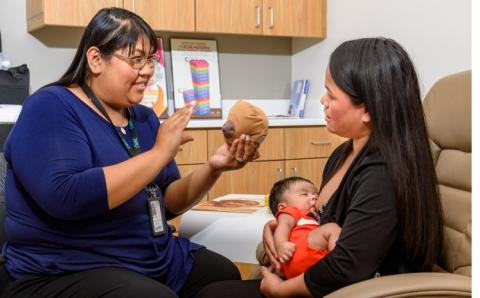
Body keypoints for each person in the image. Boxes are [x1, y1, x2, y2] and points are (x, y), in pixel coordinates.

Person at [0, 7, 260, 298]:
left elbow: (166, 203)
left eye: (150, 60)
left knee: (222, 275)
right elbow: (66, 197)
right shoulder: (51, 106)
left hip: (145, 256)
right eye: (136, 60)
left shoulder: (144, 118)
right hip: (69, 266)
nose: (147, 70)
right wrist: (159, 153)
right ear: (96, 59)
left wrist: (213, 167)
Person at [195, 37, 444, 297]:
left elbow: (346, 267)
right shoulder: (343, 153)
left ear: (367, 109)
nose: (322, 100)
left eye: (331, 94)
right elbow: (320, 219)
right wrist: (281, 228)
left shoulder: (381, 174)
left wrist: (281, 290)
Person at [267, 176, 341, 279]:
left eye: (316, 194)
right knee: (332, 228)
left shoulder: (314, 216)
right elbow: (284, 226)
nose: (314, 197)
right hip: (297, 254)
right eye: (304, 194)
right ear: (282, 207)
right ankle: (341, 261)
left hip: (311, 264)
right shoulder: (292, 211)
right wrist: (281, 244)